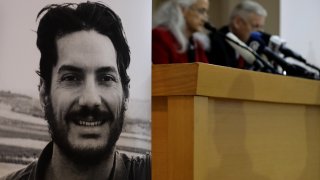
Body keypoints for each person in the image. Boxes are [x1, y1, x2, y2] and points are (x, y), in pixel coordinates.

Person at [2, 2, 150, 180]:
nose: (90, 99)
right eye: (71, 78)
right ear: (44, 94)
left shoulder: (164, 172)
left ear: (126, 94)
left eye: (106, 78)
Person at [207, 0, 267, 68]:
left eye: (261, 27)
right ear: (237, 22)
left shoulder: (254, 44)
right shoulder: (215, 41)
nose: (260, 32)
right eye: (255, 26)